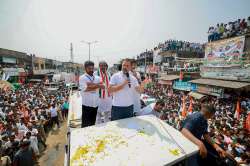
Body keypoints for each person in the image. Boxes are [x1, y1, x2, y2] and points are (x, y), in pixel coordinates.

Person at [79, 61, 104, 127]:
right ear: (85, 68)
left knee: (92, 124)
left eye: (92, 68)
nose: (91, 70)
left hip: (95, 105)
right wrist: (97, 86)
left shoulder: (97, 78)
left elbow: (103, 86)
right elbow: (85, 89)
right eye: (89, 68)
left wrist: (90, 85)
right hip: (87, 105)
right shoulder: (82, 77)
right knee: (85, 125)